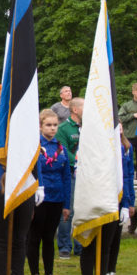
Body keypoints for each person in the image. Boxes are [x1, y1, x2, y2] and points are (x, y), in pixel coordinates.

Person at [27, 109, 71, 275]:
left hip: (57, 197)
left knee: (48, 237)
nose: (52, 129)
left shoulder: (61, 148)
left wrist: (67, 204)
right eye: (48, 125)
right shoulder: (35, 146)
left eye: (55, 125)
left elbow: (66, 176)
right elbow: (34, 171)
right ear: (40, 126)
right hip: (40, 198)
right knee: (35, 236)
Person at [0, 164, 36, 275]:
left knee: (20, 239)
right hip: (2, 184)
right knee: (2, 238)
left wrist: (39, 185)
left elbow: (35, 158)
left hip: (26, 185)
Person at [105, 124, 135, 275]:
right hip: (107, 198)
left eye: (121, 127)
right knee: (106, 239)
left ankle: (111, 271)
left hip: (122, 198)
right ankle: (102, 271)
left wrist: (130, 202)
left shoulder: (126, 147)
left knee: (116, 238)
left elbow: (129, 176)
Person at [56, 97, 84, 259]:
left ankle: (80, 244)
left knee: (83, 209)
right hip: (71, 173)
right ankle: (65, 245)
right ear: (75, 110)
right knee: (68, 210)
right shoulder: (64, 129)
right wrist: (80, 161)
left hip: (86, 175)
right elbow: (64, 152)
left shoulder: (88, 128)